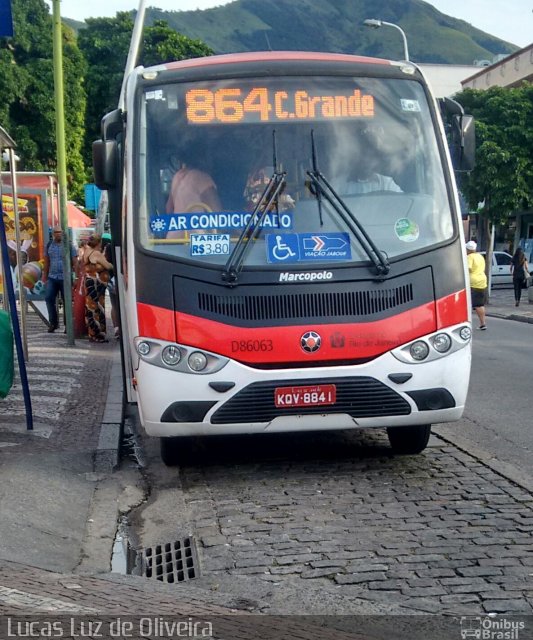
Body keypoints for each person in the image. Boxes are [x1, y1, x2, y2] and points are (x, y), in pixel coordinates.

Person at [42, 225, 77, 333]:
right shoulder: (49, 245)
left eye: (60, 232)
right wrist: (45, 276)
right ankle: (53, 323)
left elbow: (75, 262)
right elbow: (47, 261)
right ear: (53, 234)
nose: (58, 234)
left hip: (65, 278)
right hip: (52, 277)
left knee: (67, 301)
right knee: (48, 298)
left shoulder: (69, 246)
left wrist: (75, 277)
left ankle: (68, 325)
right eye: (56, 232)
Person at [83, 234, 113, 343]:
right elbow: (108, 266)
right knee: (97, 307)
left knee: (90, 307)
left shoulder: (86, 251)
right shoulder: (96, 253)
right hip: (96, 283)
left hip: (89, 281)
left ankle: (91, 333)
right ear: (99, 243)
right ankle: (98, 334)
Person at [465, 240, 488, 330]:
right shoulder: (480, 256)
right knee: (480, 303)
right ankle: (482, 323)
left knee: (476, 304)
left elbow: (468, 268)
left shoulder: (469, 257)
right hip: (482, 280)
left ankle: (482, 324)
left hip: (473, 282)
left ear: (468, 249)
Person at [102, 233, 120, 338]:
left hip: (111, 279)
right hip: (122, 278)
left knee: (114, 306)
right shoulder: (123, 244)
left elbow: (105, 261)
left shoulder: (108, 248)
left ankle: (116, 328)